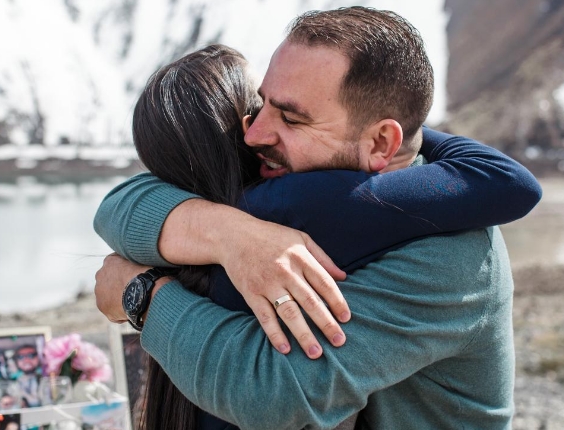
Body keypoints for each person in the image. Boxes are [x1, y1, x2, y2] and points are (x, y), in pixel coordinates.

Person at [94, 7, 540, 429]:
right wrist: (228, 233)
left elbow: (267, 392)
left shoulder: (449, 256)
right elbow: (125, 200)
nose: (253, 134)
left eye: (291, 118)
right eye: (261, 103)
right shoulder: (297, 198)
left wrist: (144, 295)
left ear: (383, 143)